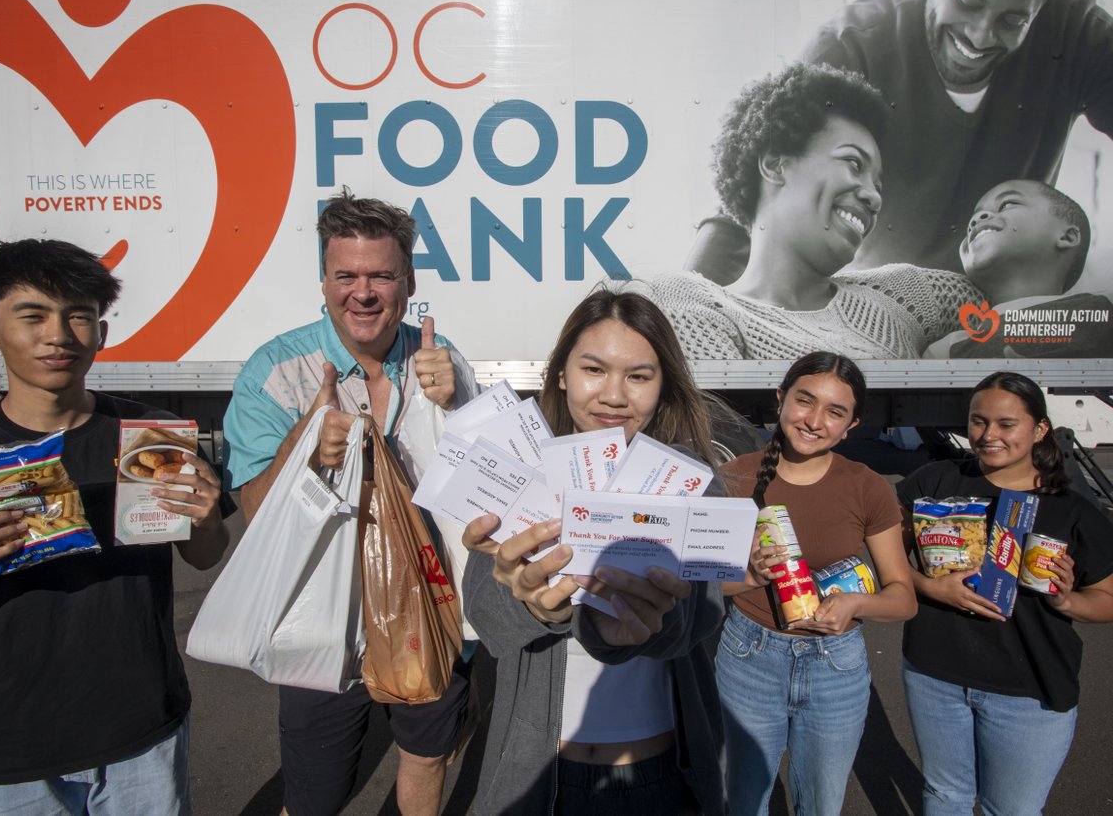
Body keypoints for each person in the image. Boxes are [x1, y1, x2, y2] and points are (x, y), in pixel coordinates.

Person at [0, 238, 232, 814]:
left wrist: (206, 520)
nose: (57, 335)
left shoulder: (152, 436)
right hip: (10, 752)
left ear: (101, 333)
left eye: (77, 315)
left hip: (144, 732)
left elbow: (204, 557)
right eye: (31, 315)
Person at [221, 189, 479, 816]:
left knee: (424, 762)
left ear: (408, 281)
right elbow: (256, 513)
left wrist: (461, 405)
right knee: (315, 795)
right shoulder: (275, 371)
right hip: (322, 626)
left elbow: (488, 485)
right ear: (325, 279)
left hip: (428, 612)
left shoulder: (440, 364)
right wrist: (305, 441)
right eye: (346, 275)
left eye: (381, 275)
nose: (362, 292)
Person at [461, 289, 727, 815]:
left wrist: (631, 629)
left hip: (658, 774)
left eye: (639, 375)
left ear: (662, 385)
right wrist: (535, 605)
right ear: (562, 373)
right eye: (593, 369)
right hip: (536, 772)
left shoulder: (692, 482)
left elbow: (700, 620)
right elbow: (484, 616)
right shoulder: (521, 471)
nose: (613, 395)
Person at [653, 62, 980, 359]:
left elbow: (1018, 308)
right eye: (853, 163)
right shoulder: (697, 305)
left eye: (878, 185)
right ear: (774, 165)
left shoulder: (907, 294)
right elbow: (721, 423)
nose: (874, 198)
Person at [897, 372, 1113, 815]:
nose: (988, 435)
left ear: (1039, 429)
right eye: (978, 422)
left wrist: (1067, 599)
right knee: (944, 795)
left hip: (1027, 689)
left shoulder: (1073, 510)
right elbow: (888, 557)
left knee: (1011, 809)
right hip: (935, 674)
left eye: (1005, 424)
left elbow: (1107, 599)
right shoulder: (936, 481)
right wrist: (930, 587)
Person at [801, 0, 1113, 274]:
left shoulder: (1077, 32)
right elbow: (766, 228)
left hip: (1012, 311)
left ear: (1043, 4)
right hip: (873, 307)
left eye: (1012, 22)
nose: (980, 36)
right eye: (967, 0)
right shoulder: (844, 51)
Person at [717, 351, 916, 816]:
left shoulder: (868, 486)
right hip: (749, 659)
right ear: (781, 399)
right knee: (743, 802)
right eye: (805, 401)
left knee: (822, 805)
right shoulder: (733, 478)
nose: (814, 420)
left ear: (851, 426)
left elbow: (902, 598)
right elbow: (700, 583)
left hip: (837, 667)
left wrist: (856, 604)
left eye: (835, 412)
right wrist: (747, 575)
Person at [923, 178, 1113, 358]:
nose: (976, 220)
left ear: (1067, 237)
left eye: (1006, 204)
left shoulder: (1105, 310)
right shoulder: (945, 350)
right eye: (971, 221)